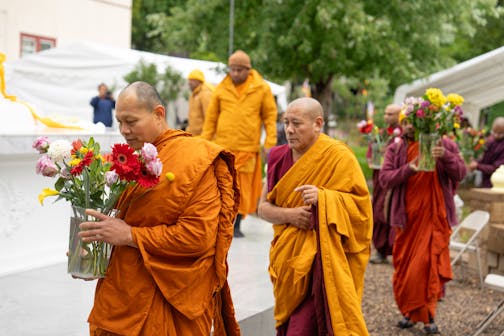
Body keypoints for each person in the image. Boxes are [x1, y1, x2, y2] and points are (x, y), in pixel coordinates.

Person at [79, 81, 240, 336]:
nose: (124, 130)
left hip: (172, 300)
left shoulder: (196, 158)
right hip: (120, 298)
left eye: (131, 121)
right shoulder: (131, 160)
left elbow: (198, 237)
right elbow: (125, 227)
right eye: (119, 122)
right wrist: (93, 258)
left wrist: (130, 235)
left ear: (158, 114)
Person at [258, 98, 372, 335]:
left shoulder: (339, 157)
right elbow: (262, 208)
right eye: (286, 122)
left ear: (318, 123)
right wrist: (291, 215)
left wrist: (326, 199)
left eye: (297, 123)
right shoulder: (278, 156)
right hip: (289, 263)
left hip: (324, 262)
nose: (289, 130)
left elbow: (362, 212)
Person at [380, 114, 466, 334]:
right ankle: (408, 312)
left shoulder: (443, 144)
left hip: (433, 219)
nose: (410, 126)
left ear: (426, 123)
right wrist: (409, 168)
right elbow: (385, 179)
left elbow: (461, 173)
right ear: (401, 124)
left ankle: (428, 317)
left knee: (427, 264)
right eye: (406, 122)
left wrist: (446, 156)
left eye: (414, 122)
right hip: (406, 221)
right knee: (406, 269)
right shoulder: (396, 148)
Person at [201, 50, 277, 238]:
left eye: (239, 70)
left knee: (242, 189)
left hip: (247, 148)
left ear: (248, 70)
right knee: (223, 185)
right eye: (232, 70)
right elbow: (211, 119)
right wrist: (203, 142)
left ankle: (236, 225)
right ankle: (224, 220)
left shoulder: (261, 88)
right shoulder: (221, 87)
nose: (235, 74)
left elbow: (270, 117)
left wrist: (270, 142)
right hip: (224, 146)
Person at [368, 103, 401, 264]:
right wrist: (372, 158)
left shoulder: (403, 134)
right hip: (380, 178)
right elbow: (371, 151)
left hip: (394, 180)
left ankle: (395, 250)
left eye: (391, 114)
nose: (387, 117)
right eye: (386, 114)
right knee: (378, 212)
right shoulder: (380, 133)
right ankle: (381, 250)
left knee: (391, 212)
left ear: (399, 115)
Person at [468, 116, 504, 187]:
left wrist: (477, 166)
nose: (496, 135)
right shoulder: (489, 140)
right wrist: (474, 160)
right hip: (483, 181)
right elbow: (482, 158)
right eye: (494, 132)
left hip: (497, 184)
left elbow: (496, 169)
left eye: (500, 133)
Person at [186, 69, 214, 136]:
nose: (189, 83)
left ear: (199, 81)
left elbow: (209, 117)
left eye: (192, 80)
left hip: (202, 137)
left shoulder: (205, 94)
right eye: (189, 80)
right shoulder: (194, 95)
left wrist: (206, 135)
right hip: (194, 135)